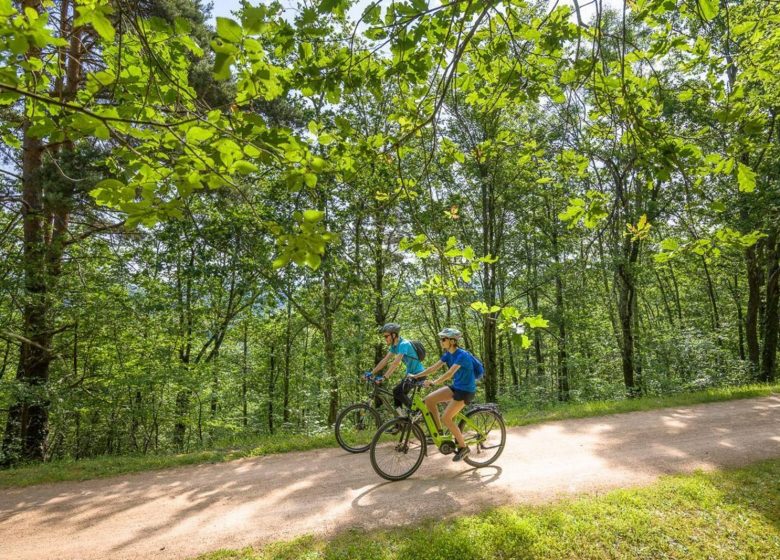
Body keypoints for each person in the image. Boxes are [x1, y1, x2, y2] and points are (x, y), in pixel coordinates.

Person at [410, 327, 477, 462]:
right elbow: (433, 368)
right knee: (429, 400)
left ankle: (464, 448)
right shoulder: (448, 354)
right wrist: (415, 376)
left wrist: (434, 382)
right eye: (441, 339)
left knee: (446, 418)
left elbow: (449, 374)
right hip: (456, 387)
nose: (441, 341)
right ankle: (439, 433)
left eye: (443, 339)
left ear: (452, 341)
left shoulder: (461, 355)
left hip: (466, 391)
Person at [368, 322, 426, 415]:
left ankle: (416, 412)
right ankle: (400, 422)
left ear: (393, 335)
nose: (385, 338)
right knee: (396, 393)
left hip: (418, 374)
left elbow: (396, 363)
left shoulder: (404, 344)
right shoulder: (394, 346)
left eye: (386, 336)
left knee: (397, 392)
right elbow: (385, 360)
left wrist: (385, 377)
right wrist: (372, 373)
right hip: (410, 375)